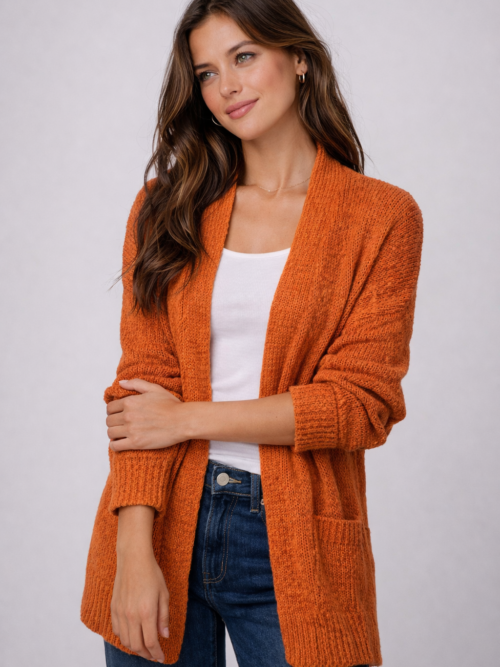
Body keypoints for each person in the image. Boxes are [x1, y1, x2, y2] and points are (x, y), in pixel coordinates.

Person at [81, 1, 423, 665]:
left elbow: (361, 405)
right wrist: (133, 550)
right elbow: (141, 389)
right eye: (207, 73)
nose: (227, 87)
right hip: (159, 519)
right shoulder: (166, 208)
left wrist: (186, 419)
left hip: (297, 537)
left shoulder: (381, 217)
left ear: (299, 58)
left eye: (244, 57)